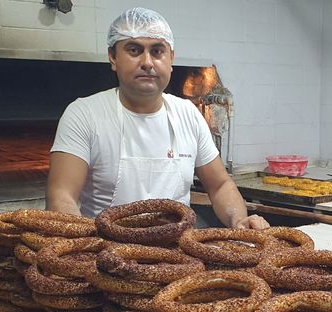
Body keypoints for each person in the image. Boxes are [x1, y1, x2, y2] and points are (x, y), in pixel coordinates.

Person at [46, 7, 268, 230]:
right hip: (106, 254)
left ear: (171, 58)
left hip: (178, 257)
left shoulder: (188, 115)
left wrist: (238, 220)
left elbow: (220, 185)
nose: (147, 62)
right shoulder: (84, 114)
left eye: (157, 51)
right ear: (113, 58)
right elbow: (62, 195)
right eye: (134, 50)